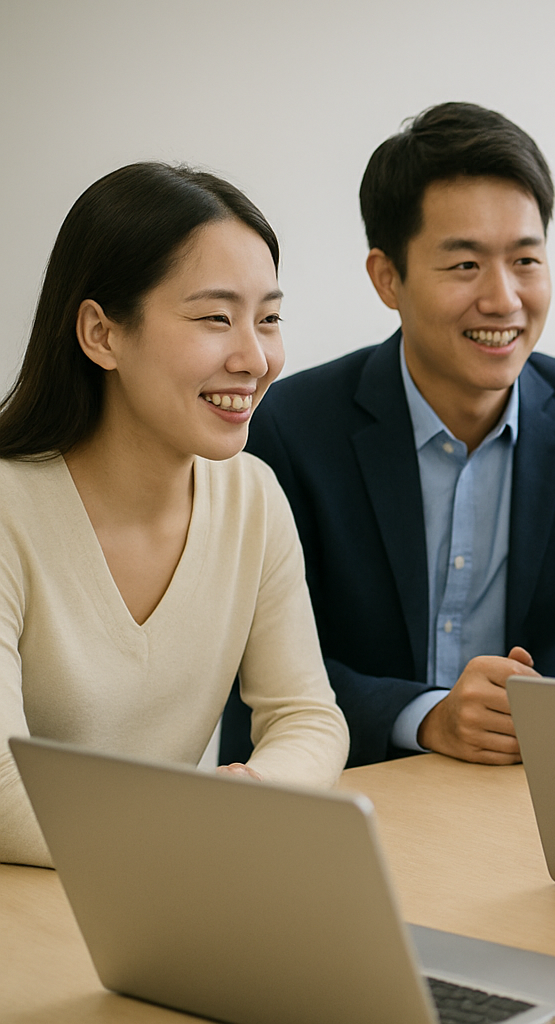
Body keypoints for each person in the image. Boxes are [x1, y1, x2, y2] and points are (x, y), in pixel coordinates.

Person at [220, 102, 555, 768]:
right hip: (350, 784)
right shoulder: (289, 427)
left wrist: (553, 720)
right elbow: (254, 668)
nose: (504, 299)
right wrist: (427, 717)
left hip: (529, 787)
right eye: (464, 266)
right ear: (386, 278)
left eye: (526, 260)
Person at [0, 163, 349, 867]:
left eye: (269, 318)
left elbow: (308, 717)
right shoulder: (10, 509)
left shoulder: (253, 498)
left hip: (164, 890)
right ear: (102, 334)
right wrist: (196, 825)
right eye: (215, 318)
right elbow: (5, 798)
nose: (255, 357)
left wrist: (254, 789)